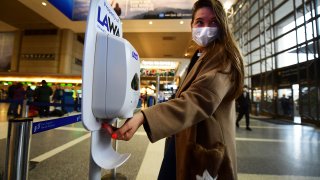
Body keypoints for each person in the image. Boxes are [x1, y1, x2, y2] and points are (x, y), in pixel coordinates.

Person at [103, 0, 244, 179]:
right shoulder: (202, 55)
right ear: (191, 25)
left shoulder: (223, 58)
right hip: (185, 141)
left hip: (205, 149)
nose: (206, 27)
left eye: (213, 22)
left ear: (222, 25)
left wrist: (143, 117)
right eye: (200, 22)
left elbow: (196, 100)